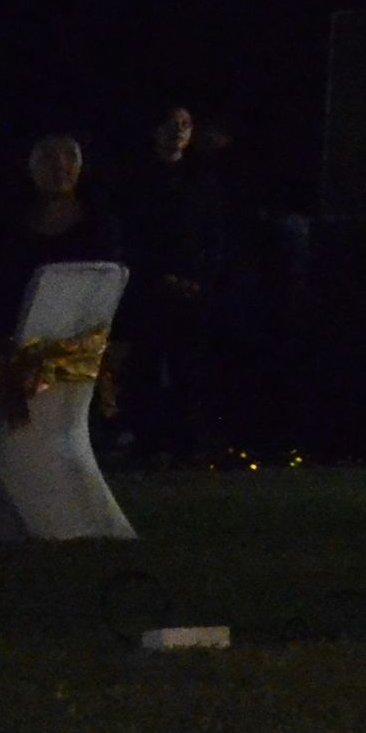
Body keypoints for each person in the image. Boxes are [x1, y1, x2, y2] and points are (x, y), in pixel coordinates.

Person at [120, 106, 246, 464]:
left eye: (185, 125)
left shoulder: (202, 180)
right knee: (146, 362)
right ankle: (145, 437)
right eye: (171, 124)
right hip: (150, 287)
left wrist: (200, 279)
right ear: (154, 131)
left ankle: (186, 437)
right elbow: (134, 235)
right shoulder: (138, 179)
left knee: (189, 365)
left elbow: (215, 235)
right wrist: (158, 276)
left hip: (192, 289)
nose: (178, 131)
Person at [0, 135, 125, 339]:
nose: (60, 164)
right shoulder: (3, 222)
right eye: (47, 156)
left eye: (70, 155)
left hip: (72, 344)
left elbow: (105, 292)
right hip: (4, 341)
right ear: (28, 165)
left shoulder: (101, 226)